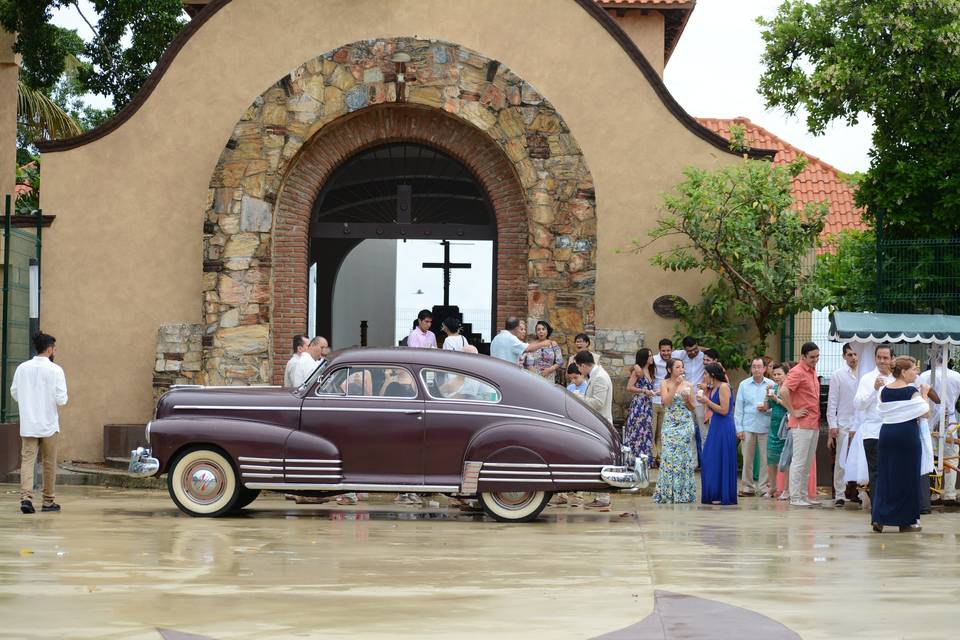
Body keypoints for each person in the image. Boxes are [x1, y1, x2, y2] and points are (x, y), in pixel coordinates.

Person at [872, 356, 930, 533]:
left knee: (886, 475)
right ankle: (906, 521)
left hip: (887, 434)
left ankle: (879, 518)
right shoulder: (912, 391)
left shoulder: (884, 391)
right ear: (903, 372)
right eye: (913, 369)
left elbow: (881, 410)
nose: (916, 372)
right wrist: (925, 394)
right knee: (907, 476)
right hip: (906, 435)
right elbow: (925, 412)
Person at [12, 332, 68, 514]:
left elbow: (14, 392)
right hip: (49, 424)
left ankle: (26, 498)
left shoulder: (22, 368)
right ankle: (48, 501)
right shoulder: (56, 370)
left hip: (28, 423)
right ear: (50, 349)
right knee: (49, 462)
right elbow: (62, 400)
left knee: (27, 461)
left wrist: (28, 402)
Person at [780, 341, 822, 507]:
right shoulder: (797, 371)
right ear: (803, 356)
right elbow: (783, 391)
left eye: (817, 356)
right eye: (812, 357)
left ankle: (803, 496)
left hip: (813, 422)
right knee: (799, 461)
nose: (815, 359)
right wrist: (793, 411)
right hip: (801, 424)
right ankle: (795, 497)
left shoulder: (811, 371)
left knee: (807, 461)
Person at [853, 345, 895, 504]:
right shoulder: (867, 378)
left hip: (894, 431)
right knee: (876, 472)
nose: (882, 361)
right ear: (875, 358)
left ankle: (891, 505)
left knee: (892, 470)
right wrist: (874, 389)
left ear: (892, 359)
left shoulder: (897, 379)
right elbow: (858, 405)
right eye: (879, 357)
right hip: (873, 432)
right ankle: (878, 510)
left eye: (885, 358)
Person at [652, 358, 697, 504]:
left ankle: (683, 492)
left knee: (683, 457)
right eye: (677, 367)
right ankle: (667, 492)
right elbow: (665, 402)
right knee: (669, 456)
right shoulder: (664, 383)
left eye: (682, 367)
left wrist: (686, 399)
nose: (681, 370)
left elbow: (692, 407)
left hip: (685, 423)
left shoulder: (689, 385)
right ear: (670, 369)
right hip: (670, 423)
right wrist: (675, 386)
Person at [918, 360, 960, 506]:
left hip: (928, 421)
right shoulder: (957, 376)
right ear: (948, 359)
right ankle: (949, 494)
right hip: (949, 421)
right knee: (950, 458)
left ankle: (932, 492)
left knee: (929, 456)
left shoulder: (924, 376)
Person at [576, 351, 613, 510]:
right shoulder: (596, 375)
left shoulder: (599, 377)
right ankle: (600, 496)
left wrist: (579, 398)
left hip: (601, 424)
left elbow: (598, 402)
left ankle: (603, 497)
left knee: (601, 460)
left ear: (583, 365)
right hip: (597, 424)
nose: (579, 371)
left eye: (579, 368)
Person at [734, 357, 774, 497]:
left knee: (765, 459)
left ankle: (763, 487)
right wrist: (739, 429)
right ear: (751, 369)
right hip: (748, 425)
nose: (756, 369)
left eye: (759, 366)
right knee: (747, 458)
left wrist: (767, 409)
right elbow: (739, 408)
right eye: (754, 366)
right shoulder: (744, 385)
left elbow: (775, 406)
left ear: (764, 369)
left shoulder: (771, 384)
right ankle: (747, 487)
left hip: (765, 426)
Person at [698, 363, 737, 505]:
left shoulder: (724, 387)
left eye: (706, 374)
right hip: (715, 425)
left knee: (721, 458)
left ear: (713, 375)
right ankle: (714, 492)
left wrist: (707, 401)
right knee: (709, 458)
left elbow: (725, 410)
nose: (704, 377)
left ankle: (722, 494)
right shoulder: (712, 388)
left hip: (724, 426)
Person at [827, 343, 859, 506]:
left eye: (855, 354)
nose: (853, 358)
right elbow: (832, 401)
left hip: (861, 423)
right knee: (841, 459)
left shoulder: (865, 373)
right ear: (844, 356)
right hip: (843, 423)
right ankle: (839, 493)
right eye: (850, 355)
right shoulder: (838, 375)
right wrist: (832, 424)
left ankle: (860, 492)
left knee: (862, 459)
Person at [672, 336, 707, 450]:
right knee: (689, 431)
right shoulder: (680, 355)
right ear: (684, 349)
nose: (692, 352)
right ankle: (693, 464)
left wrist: (700, 349)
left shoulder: (703, 356)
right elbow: (665, 355)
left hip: (700, 398)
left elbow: (713, 353)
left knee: (704, 432)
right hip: (686, 399)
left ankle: (706, 462)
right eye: (689, 351)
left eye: (695, 349)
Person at [624, 348, 656, 462]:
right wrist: (643, 390)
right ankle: (633, 458)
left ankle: (644, 458)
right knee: (636, 430)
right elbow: (629, 387)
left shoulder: (650, 370)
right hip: (639, 404)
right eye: (650, 356)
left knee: (646, 430)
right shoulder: (638, 370)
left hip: (647, 404)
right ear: (644, 358)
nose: (652, 357)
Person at [766, 362, 790, 500]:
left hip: (785, 426)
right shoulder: (773, 388)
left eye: (779, 374)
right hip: (773, 426)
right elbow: (766, 406)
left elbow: (790, 406)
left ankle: (786, 489)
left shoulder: (788, 389)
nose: (776, 377)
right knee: (771, 458)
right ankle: (773, 487)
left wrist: (777, 399)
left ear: (786, 375)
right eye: (774, 374)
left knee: (785, 459)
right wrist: (767, 395)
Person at [651, 339, 673, 468]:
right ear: (659, 350)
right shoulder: (653, 359)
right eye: (663, 350)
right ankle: (652, 457)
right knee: (652, 431)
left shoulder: (674, 361)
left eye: (668, 350)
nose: (666, 353)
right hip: (653, 400)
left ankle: (659, 457)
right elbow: (638, 365)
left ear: (672, 350)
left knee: (661, 433)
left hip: (666, 401)